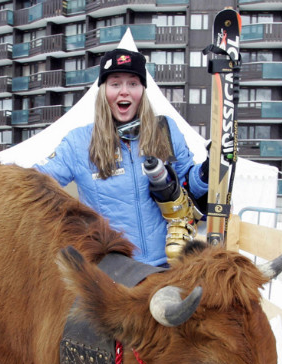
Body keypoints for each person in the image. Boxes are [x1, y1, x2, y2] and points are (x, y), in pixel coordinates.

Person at [34, 48, 220, 267]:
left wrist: (209, 170)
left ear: (142, 90)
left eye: (133, 83)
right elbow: (36, 179)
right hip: (111, 269)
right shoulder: (79, 142)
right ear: (103, 91)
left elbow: (190, 187)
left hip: (167, 262)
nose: (125, 92)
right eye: (115, 84)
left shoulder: (164, 129)